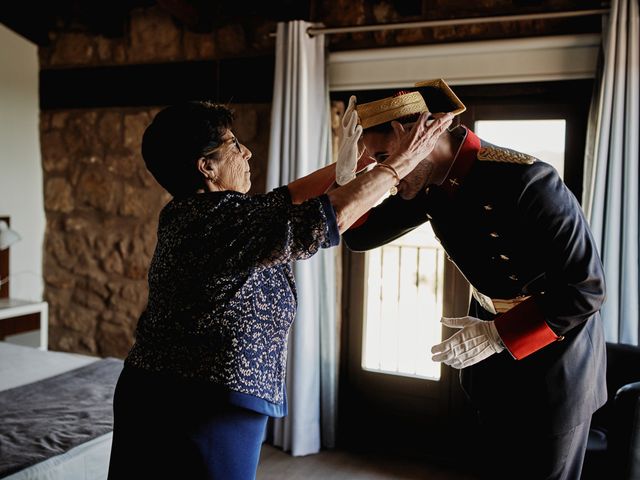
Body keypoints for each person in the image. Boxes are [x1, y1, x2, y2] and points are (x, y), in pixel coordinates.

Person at [106, 100, 453, 480]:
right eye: (234, 145)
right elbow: (330, 216)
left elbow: (288, 197)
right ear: (206, 166)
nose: (247, 151)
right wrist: (399, 163)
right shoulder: (218, 223)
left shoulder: (202, 211)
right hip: (198, 402)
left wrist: (359, 162)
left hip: (173, 390)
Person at [342, 87, 607, 480]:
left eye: (382, 158)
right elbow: (358, 236)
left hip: (554, 361)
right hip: (490, 365)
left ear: (412, 136)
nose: (385, 177)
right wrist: (344, 174)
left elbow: (586, 288)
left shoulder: (527, 178)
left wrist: (499, 334)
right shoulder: (424, 180)